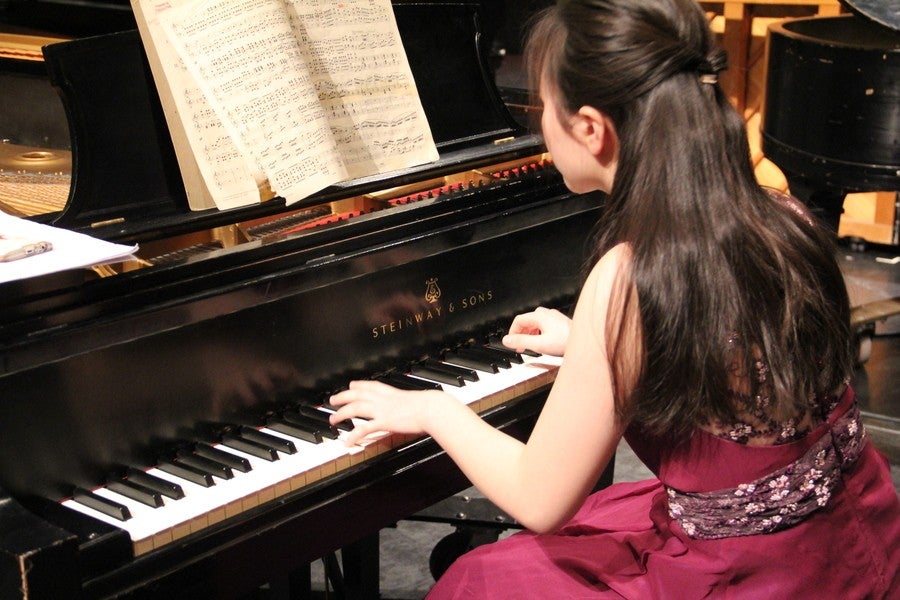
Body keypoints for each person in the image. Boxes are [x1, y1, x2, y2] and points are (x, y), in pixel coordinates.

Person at [329, 0, 900, 596]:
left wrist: (432, 410)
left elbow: (538, 499)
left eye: (540, 107)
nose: (538, 124)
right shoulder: (779, 213)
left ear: (591, 128)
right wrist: (589, 343)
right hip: (851, 535)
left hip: (748, 575)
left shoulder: (630, 277)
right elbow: (733, 361)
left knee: (481, 579)